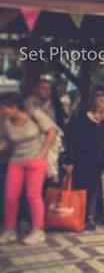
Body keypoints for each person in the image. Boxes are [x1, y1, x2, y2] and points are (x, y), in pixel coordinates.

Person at [0, 93, 58, 245]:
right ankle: (10, 230)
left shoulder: (34, 114)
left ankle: (38, 231)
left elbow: (52, 131)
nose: (2, 110)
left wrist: (43, 153)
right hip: (16, 161)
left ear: (14, 107)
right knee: (10, 196)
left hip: (35, 161)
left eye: (4, 108)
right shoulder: (5, 121)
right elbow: (6, 141)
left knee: (33, 196)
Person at [64, 94, 104, 229]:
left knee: (93, 191)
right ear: (100, 111)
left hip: (96, 165)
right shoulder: (80, 122)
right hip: (81, 163)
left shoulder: (100, 125)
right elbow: (72, 143)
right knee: (81, 191)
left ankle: (89, 218)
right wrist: (70, 161)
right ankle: (79, 217)